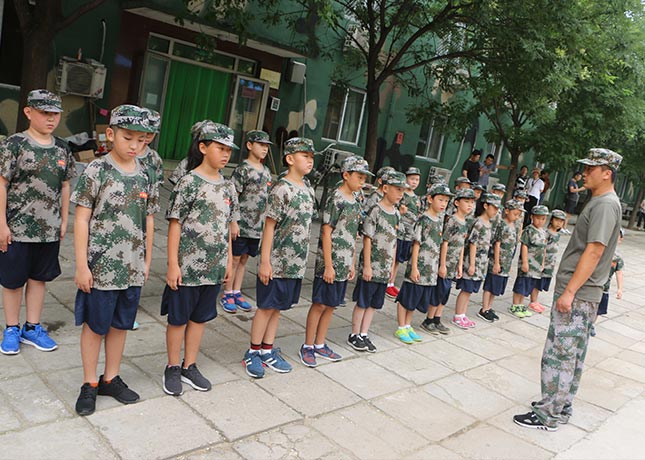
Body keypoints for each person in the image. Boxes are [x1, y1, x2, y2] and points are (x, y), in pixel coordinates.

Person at [514, 148, 623, 431]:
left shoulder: (604, 205)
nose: (584, 173)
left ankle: (548, 414)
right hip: (585, 294)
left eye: (590, 169)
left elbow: (595, 251)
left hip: (580, 294)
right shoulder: (603, 202)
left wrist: (570, 291)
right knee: (572, 353)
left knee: (559, 353)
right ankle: (560, 406)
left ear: (607, 173)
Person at [72, 105, 158, 416]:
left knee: (121, 324)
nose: (135, 145)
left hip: (132, 267)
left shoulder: (146, 174)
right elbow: (81, 219)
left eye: (142, 140)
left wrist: (146, 260)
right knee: (95, 326)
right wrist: (82, 265)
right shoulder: (97, 170)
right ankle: (89, 382)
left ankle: (111, 377)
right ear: (110, 134)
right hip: (100, 268)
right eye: (128, 137)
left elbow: (149, 219)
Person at [161, 122, 238, 396]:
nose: (225, 154)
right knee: (178, 319)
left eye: (228, 150)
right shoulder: (189, 182)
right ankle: (172, 366)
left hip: (214, 267)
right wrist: (173, 264)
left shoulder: (228, 187)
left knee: (199, 319)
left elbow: (227, 227)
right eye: (220, 148)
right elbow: (175, 224)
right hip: (187, 268)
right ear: (203, 147)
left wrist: (228, 261)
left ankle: (189, 365)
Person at [0, 90, 76, 355]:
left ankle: (32, 327)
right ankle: (11, 328)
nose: (51, 119)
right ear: (29, 112)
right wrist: (1, 224)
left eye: (55, 114)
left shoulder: (62, 148)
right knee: (12, 281)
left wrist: (64, 220)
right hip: (17, 228)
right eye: (45, 113)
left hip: (48, 229)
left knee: (39, 279)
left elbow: (65, 185)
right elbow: (2, 184)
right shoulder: (14, 144)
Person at [242, 138, 315, 379]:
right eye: (305, 156)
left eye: (311, 157)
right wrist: (265, 261)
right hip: (276, 261)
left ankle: (267, 349)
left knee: (278, 308)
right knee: (266, 307)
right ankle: (253, 351)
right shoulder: (281, 188)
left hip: (295, 263)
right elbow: (269, 226)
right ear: (290, 159)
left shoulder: (308, 189)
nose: (310, 161)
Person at [300, 156, 371, 366]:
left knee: (331, 305)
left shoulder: (357, 199)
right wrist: (328, 266)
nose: (362, 181)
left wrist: (351, 263)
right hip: (328, 264)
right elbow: (326, 232)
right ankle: (307, 346)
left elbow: (353, 234)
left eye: (364, 178)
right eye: (359, 177)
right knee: (320, 304)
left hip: (344, 262)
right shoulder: (336, 198)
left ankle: (320, 344)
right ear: (346, 175)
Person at [349, 171, 408, 353]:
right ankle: (354, 334)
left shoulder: (396, 214)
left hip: (384, 268)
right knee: (363, 302)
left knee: (374, 304)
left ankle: (364, 333)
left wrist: (391, 268)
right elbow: (367, 238)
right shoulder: (376, 210)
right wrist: (367, 266)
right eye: (397, 189)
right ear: (385, 188)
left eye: (402, 190)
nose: (400, 194)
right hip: (372, 266)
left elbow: (394, 241)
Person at [220, 130, 273, 314]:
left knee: (244, 259)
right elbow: (233, 198)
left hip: (256, 226)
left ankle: (237, 291)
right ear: (249, 145)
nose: (264, 149)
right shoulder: (242, 170)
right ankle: (227, 293)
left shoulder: (266, 172)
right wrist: (233, 222)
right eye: (261, 145)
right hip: (241, 224)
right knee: (234, 258)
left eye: (266, 146)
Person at [396, 183, 452, 341]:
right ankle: (401, 327)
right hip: (419, 266)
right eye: (440, 199)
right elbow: (416, 244)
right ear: (430, 199)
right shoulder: (423, 219)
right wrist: (414, 267)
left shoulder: (439, 220)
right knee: (407, 298)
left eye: (446, 201)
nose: (443, 204)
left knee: (415, 299)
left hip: (430, 269)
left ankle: (408, 325)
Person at [420, 188, 475, 333]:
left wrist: (460, 265)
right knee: (438, 292)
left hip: (453, 265)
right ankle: (429, 319)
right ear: (457, 203)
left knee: (445, 293)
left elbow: (461, 245)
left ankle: (437, 318)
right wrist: (443, 264)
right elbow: (444, 242)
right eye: (466, 202)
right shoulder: (452, 221)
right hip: (445, 264)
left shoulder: (465, 223)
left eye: (472, 202)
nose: (470, 205)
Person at [131, 108, 164, 331]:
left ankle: (130, 310)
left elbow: (156, 189)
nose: (148, 137)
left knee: (138, 265)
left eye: (152, 134)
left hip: (143, 217)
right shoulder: (126, 151)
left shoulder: (154, 159)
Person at [453, 193, 500, 329]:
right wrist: (472, 264)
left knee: (470, 290)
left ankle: (463, 314)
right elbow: (472, 243)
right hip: (472, 262)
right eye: (494, 207)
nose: (496, 211)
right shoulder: (478, 223)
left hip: (482, 263)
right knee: (466, 289)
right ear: (485, 206)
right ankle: (458, 315)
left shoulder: (489, 224)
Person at [478, 200, 525, 322]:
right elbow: (497, 244)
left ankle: (489, 307)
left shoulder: (514, 226)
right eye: (515, 214)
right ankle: (484, 308)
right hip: (497, 261)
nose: (517, 217)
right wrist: (497, 262)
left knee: (496, 286)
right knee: (490, 285)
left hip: (506, 262)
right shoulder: (502, 225)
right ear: (507, 211)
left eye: (519, 215)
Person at [386, 167, 421, 300]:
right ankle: (387, 281)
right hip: (399, 232)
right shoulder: (402, 195)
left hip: (409, 234)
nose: (414, 182)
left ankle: (392, 282)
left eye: (417, 179)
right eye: (412, 179)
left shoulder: (416, 198)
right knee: (393, 258)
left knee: (399, 260)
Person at [510, 205, 548, 318]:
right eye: (538, 218)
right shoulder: (529, 230)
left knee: (528, 286)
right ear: (532, 217)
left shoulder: (543, 232)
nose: (540, 221)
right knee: (521, 285)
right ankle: (515, 305)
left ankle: (521, 305)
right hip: (528, 264)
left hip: (536, 266)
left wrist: (542, 263)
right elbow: (524, 246)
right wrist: (525, 262)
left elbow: (544, 248)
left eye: (543, 219)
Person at [529, 209, 565, 313]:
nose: (558, 223)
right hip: (544, 262)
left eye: (561, 221)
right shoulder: (546, 233)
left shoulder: (557, 234)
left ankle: (535, 300)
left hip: (551, 263)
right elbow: (543, 247)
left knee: (542, 282)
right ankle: (533, 301)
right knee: (537, 281)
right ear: (551, 220)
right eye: (556, 220)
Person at [591, 228, 624, 337]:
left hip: (604, 288)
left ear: (620, 239)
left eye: (617, 236)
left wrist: (620, 289)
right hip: (593, 284)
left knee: (599, 309)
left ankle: (591, 324)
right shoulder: (600, 250)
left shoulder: (618, 258)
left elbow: (619, 273)